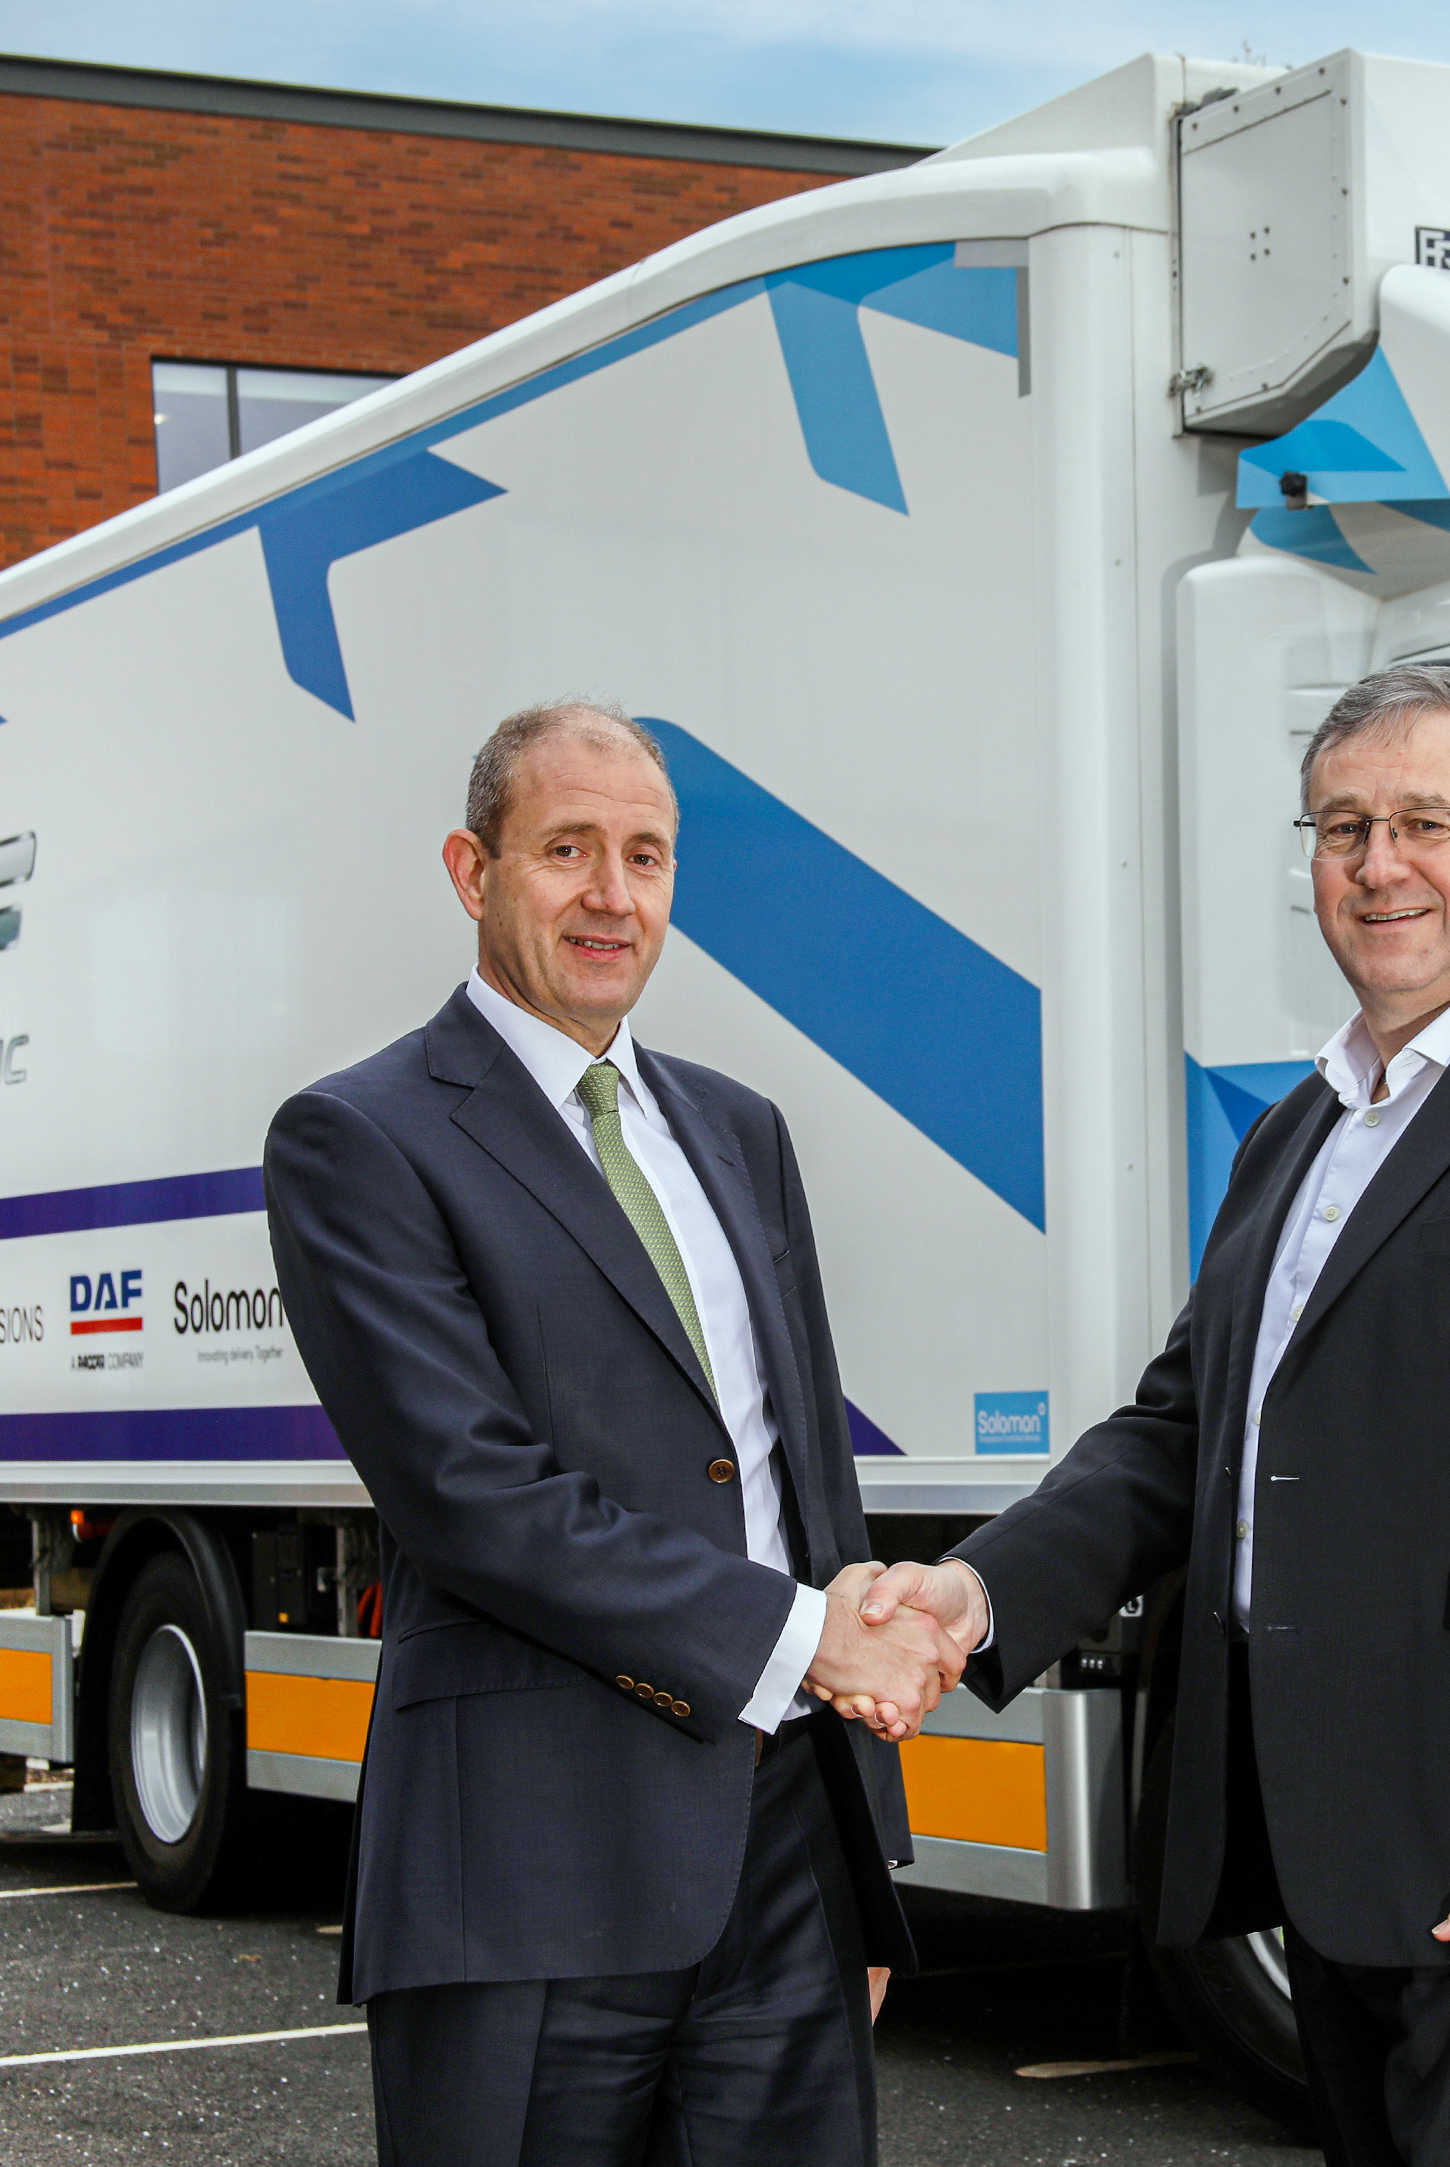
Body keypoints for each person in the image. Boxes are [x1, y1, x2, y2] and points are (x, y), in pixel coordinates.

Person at [850, 663, 1450, 2166]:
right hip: (1333, 1860)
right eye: (1342, 827)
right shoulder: (1298, 1131)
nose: (1377, 863)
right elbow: (1185, 1436)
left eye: (1426, 821)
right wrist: (974, 1593)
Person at [264, 698, 967, 2167]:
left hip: (786, 1858)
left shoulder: (739, 1128)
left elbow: (805, 1486)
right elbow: (472, 1496)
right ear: (472, 871)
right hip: (530, 1871)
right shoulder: (360, 1136)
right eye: (566, 849)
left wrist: (863, 1861)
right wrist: (806, 1642)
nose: (611, 895)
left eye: (644, 856)